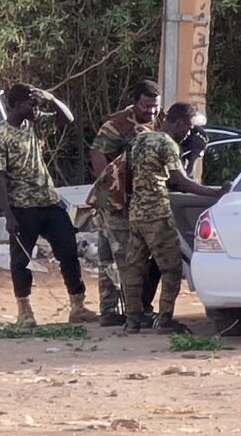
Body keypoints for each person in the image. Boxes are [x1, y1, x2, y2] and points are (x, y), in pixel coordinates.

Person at [0, 84, 98, 327]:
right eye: (30, 103)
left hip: (48, 200)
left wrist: (50, 98)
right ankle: (24, 311)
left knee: (69, 251)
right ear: (17, 106)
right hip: (22, 206)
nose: (34, 107)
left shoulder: (34, 123)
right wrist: (8, 215)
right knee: (21, 260)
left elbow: (67, 118)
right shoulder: (1, 135)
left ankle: (77, 305)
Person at [122, 102, 229, 334]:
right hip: (157, 213)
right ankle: (165, 319)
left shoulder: (141, 139)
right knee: (170, 268)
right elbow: (182, 181)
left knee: (134, 268)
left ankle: (132, 321)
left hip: (136, 212)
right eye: (189, 128)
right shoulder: (168, 144)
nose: (189, 133)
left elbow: (129, 173)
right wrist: (217, 193)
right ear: (180, 123)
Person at [89, 80, 163, 327]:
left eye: (154, 106)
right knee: (116, 255)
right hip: (113, 199)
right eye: (145, 106)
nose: (150, 111)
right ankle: (114, 310)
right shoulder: (118, 124)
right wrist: (109, 181)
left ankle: (121, 309)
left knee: (120, 254)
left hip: (136, 198)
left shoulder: (160, 121)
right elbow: (97, 152)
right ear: (135, 102)